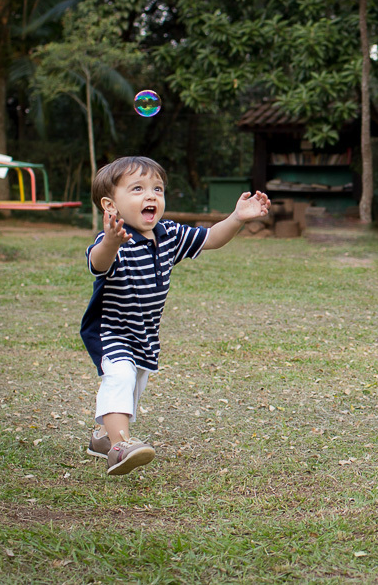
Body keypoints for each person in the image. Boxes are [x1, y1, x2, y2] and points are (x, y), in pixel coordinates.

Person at [80, 156, 270, 474]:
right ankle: (119, 446)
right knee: (120, 378)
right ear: (110, 206)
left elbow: (211, 238)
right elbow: (98, 263)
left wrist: (237, 218)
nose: (151, 195)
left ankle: (101, 437)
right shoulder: (115, 240)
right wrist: (112, 242)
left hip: (144, 334)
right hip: (111, 330)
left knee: (132, 387)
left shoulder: (168, 235)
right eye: (138, 188)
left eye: (157, 188)